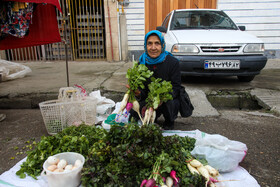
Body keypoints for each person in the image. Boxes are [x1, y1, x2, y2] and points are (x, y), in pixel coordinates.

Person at [129, 30, 181, 130]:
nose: (153, 48)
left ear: (162, 45)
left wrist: (161, 98)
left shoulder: (173, 63)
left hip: (166, 100)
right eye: (149, 44)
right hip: (149, 99)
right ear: (145, 46)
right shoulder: (141, 63)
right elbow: (142, 90)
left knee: (172, 102)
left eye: (157, 43)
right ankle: (152, 118)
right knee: (133, 113)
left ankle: (169, 121)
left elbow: (176, 87)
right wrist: (138, 93)